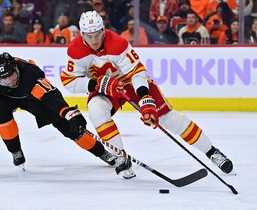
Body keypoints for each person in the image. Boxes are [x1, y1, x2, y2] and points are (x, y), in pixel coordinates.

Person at [61, 10, 234, 179]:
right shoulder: (76, 49)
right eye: (89, 36)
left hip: (131, 83)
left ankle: (212, 152)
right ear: (82, 34)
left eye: (98, 34)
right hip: (105, 88)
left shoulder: (118, 43)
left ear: (103, 30)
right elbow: (69, 80)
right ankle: (121, 157)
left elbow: (136, 72)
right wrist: (95, 84)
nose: (94, 40)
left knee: (169, 118)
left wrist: (144, 98)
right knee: (96, 110)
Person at [0, 52, 116, 170]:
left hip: (31, 95)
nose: (10, 82)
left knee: (66, 125)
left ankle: (101, 152)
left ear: (16, 69)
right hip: (3, 96)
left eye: (11, 76)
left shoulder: (31, 75)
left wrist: (70, 114)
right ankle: (15, 150)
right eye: (4, 79)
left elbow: (51, 97)